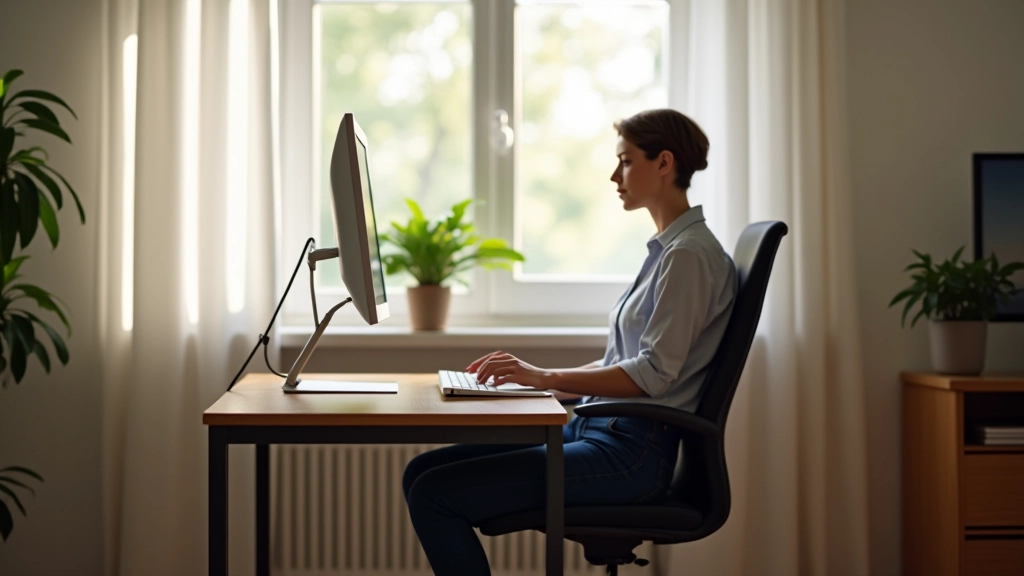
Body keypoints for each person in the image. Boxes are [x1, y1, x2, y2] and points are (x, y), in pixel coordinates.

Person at [402, 109, 738, 576]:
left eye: (625, 162)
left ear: (664, 163)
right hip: (599, 430)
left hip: (631, 456)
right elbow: (624, 361)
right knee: (420, 473)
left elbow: (653, 375)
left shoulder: (688, 256)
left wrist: (545, 376)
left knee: (433, 493)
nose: (614, 176)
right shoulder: (669, 250)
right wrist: (534, 384)